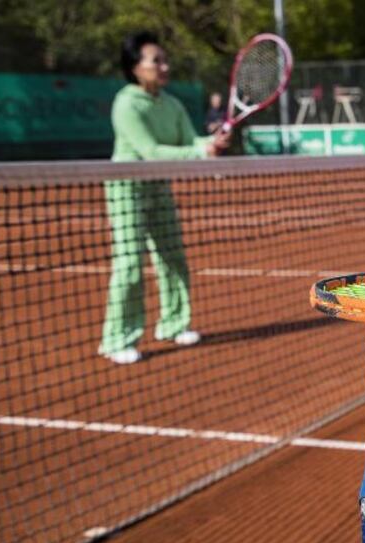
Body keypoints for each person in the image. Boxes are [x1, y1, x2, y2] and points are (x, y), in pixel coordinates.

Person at [99, 31, 231, 365]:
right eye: (155, 60)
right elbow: (150, 151)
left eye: (164, 59)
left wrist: (210, 143)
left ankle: (173, 323)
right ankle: (116, 339)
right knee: (130, 263)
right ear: (134, 67)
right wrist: (201, 152)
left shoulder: (172, 103)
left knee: (172, 256)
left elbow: (190, 140)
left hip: (158, 185)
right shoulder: (126, 104)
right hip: (126, 185)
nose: (164, 66)